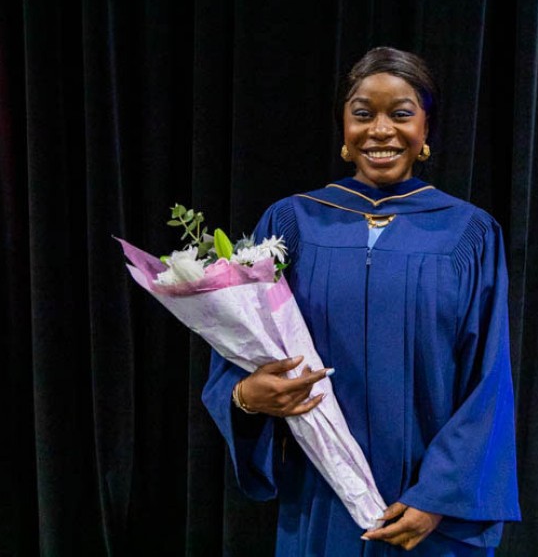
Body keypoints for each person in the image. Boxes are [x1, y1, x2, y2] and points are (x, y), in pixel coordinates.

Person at [202, 46, 521, 556]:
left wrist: (439, 497)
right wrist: (245, 396)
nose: (380, 130)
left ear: (425, 132)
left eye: (401, 114)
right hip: (321, 492)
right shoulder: (291, 224)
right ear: (344, 131)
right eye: (362, 113)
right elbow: (236, 359)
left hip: (424, 505)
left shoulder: (470, 234)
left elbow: (487, 379)